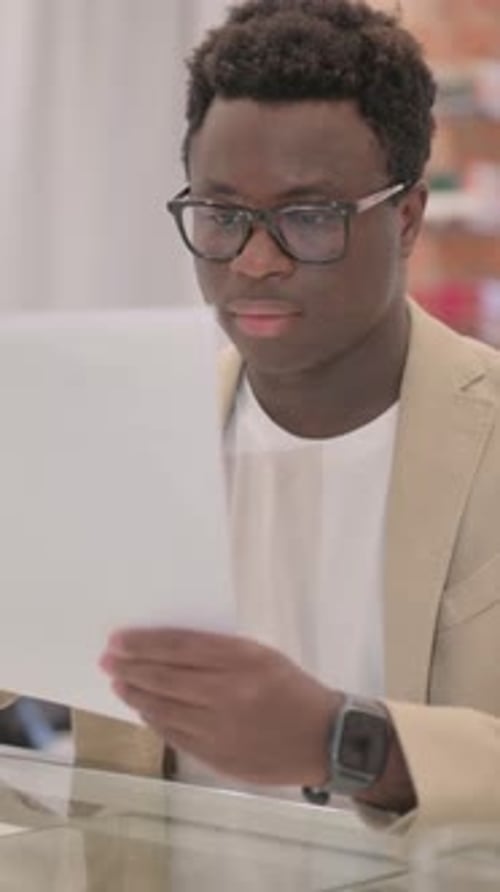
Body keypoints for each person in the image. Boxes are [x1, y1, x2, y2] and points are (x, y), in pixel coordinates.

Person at [5, 0, 500, 836]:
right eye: (222, 216)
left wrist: (340, 741)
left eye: (309, 219)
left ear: (407, 218)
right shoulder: (124, 444)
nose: (254, 262)